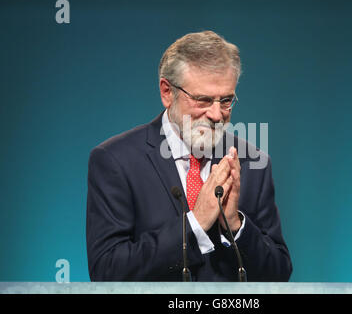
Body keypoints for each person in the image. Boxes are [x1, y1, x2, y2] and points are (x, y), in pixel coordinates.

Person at [86, 30, 292, 281]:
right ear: (167, 92)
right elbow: (107, 271)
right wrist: (195, 224)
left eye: (226, 100)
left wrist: (236, 226)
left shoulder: (252, 163)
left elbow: (279, 274)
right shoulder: (116, 161)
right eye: (203, 100)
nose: (217, 115)